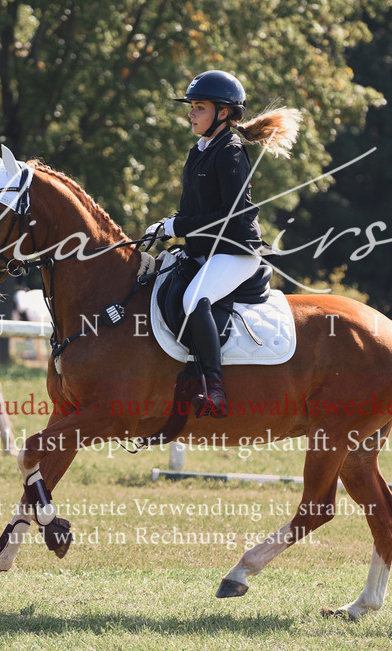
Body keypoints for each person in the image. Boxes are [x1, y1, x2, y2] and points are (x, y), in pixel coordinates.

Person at [145, 70, 301, 417]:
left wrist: (177, 225)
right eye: (193, 107)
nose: (191, 114)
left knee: (194, 299)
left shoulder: (230, 150)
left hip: (234, 251)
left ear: (224, 113)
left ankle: (213, 387)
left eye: (199, 107)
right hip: (203, 250)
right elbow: (193, 211)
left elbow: (232, 214)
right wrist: (165, 226)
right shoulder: (199, 151)